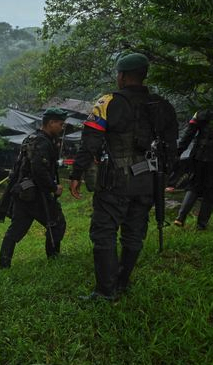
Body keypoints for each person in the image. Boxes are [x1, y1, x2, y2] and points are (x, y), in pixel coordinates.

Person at [69, 53, 178, 301]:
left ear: (122, 76)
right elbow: (171, 148)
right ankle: (122, 282)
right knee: (135, 231)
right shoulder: (163, 105)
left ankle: (105, 291)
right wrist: (163, 179)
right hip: (149, 180)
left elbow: (90, 144)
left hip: (116, 180)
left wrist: (77, 173)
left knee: (104, 232)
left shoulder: (108, 102)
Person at [0, 108, 68, 269]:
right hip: (36, 193)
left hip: (23, 191)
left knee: (16, 229)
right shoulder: (42, 141)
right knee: (57, 223)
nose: (62, 128)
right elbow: (39, 170)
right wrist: (54, 188)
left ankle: (4, 265)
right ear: (51, 123)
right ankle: (54, 258)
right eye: (61, 124)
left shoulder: (31, 138)